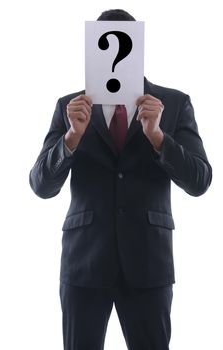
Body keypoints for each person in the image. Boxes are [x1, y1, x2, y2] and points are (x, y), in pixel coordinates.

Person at [29, 8, 212, 350]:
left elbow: (200, 180)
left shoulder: (172, 104)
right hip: (84, 263)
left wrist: (158, 137)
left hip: (148, 262)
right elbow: (41, 186)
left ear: (137, 50)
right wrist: (70, 139)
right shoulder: (70, 106)